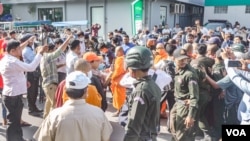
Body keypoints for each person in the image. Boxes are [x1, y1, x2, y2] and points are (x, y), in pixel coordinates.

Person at [34, 71, 113, 141]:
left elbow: (43, 138)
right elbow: (106, 138)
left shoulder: (54, 115)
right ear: (86, 92)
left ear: (65, 91)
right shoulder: (98, 114)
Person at [0, 39, 45, 141]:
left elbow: (14, 74)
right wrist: (39, 53)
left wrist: (23, 81)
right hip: (13, 96)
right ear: (12, 51)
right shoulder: (12, 61)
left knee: (15, 121)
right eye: (19, 48)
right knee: (13, 122)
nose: (21, 50)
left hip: (12, 94)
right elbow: (31, 67)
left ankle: (18, 138)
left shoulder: (7, 59)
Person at [123, 46, 161, 141]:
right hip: (150, 135)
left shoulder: (140, 91)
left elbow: (134, 125)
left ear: (132, 69)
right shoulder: (153, 84)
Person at [170, 48, 199, 141]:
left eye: (185, 59)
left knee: (182, 135)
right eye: (180, 59)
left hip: (185, 107)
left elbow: (194, 96)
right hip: (178, 103)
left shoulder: (189, 74)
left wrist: (190, 115)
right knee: (173, 129)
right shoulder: (177, 69)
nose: (183, 61)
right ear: (174, 59)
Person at [40, 35, 73, 119]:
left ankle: (46, 118)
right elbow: (60, 50)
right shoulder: (48, 56)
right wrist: (68, 39)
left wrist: (63, 64)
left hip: (47, 84)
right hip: (50, 84)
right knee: (54, 104)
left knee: (49, 102)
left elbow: (53, 68)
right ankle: (52, 121)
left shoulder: (44, 58)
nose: (55, 51)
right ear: (50, 50)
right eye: (54, 49)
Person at [109, 46, 126, 116]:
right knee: (121, 96)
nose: (115, 53)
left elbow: (118, 71)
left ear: (120, 51)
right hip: (122, 80)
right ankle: (121, 110)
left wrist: (112, 77)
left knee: (119, 97)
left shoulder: (120, 59)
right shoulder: (123, 58)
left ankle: (119, 111)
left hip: (119, 81)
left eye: (116, 51)